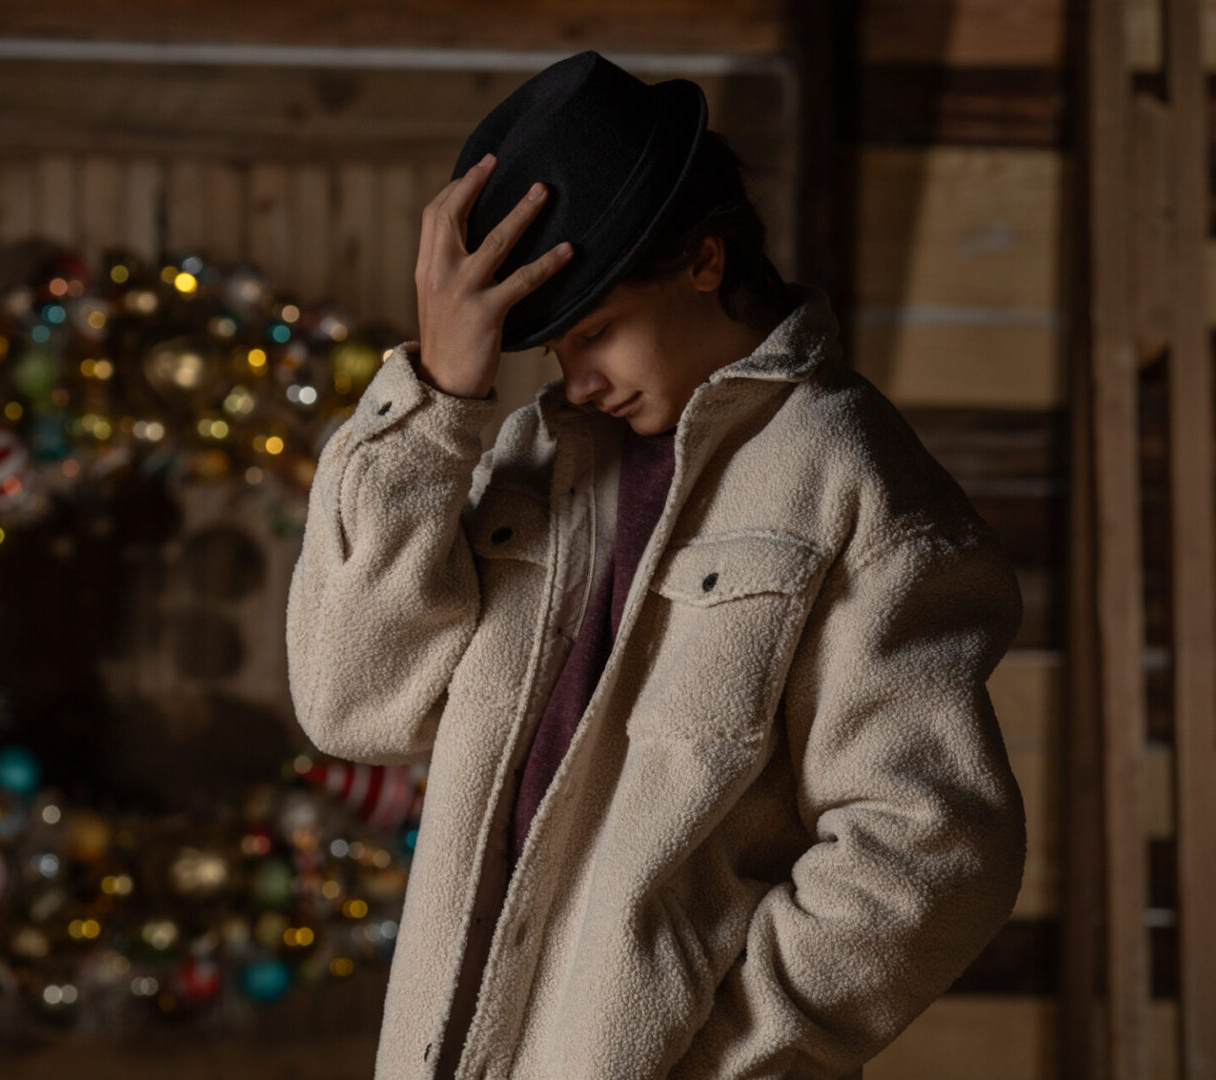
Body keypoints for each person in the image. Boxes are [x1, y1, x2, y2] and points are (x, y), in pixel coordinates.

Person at [286, 50, 1025, 1080]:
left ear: (705, 262)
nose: (577, 380)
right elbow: (354, 702)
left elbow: (932, 847)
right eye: (550, 353)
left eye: (596, 332)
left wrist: (720, 1058)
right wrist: (434, 398)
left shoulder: (852, 480)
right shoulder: (530, 460)